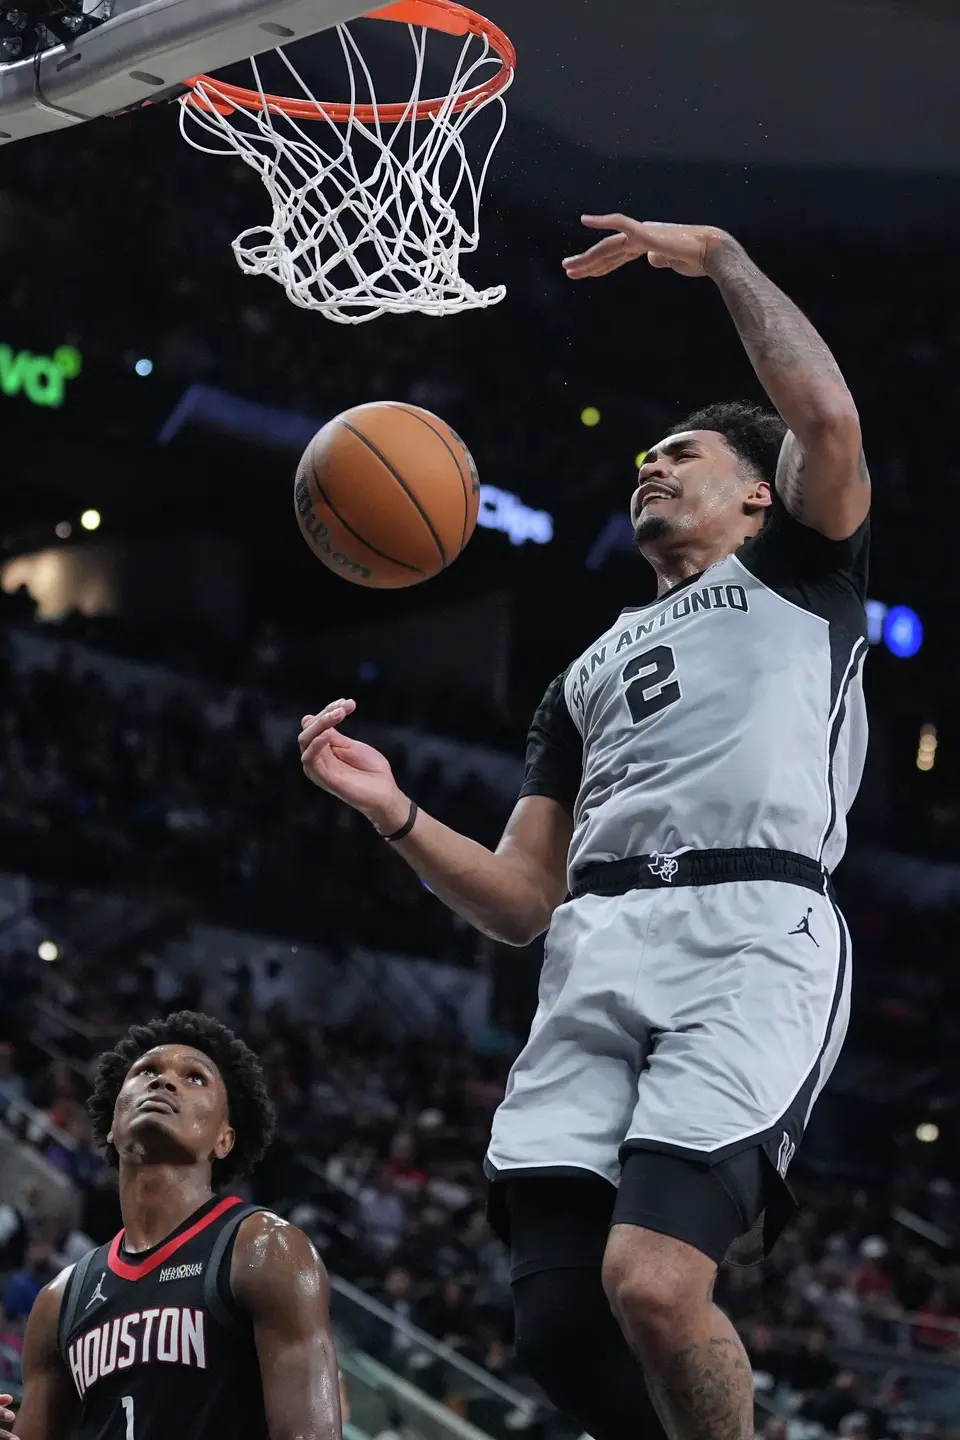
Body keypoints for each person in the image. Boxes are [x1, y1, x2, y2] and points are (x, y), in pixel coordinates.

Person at [297, 215, 870, 1440]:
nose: (649, 467)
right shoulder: (582, 672)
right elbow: (519, 900)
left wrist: (721, 258)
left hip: (751, 928)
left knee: (654, 1286)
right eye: (644, 458)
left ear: (761, 492)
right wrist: (392, 808)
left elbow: (825, 418)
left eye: (683, 454)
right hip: (598, 943)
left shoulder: (801, 574)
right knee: (557, 1328)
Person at [0, 1010, 341, 1440]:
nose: (163, 1082)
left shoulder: (266, 1250)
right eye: (146, 1071)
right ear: (109, 1126)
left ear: (224, 1138)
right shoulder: (59, 1300)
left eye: (195, 1077)